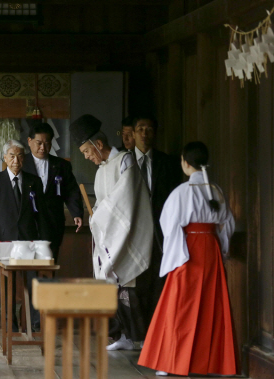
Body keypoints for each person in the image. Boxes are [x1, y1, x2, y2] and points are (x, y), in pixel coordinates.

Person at [138, 141, 236, 377]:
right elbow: (228, 223)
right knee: (211, 304)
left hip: (189, 250)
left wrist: (175, 254)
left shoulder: (183, 192)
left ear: (185, 162)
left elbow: (169, 225)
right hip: (210, 249)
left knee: (180, 305)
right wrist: (221, 247)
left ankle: (171, 362)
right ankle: (215, 364)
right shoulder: (216, 190)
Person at [69, 114, 154, 346]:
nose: (86, 157)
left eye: (87, 151)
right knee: (113, 288)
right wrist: (96, 213)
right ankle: (123, 335)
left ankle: (138, 337)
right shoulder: (101, 171)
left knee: (129, 286)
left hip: (127, 234)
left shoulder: (125, 161)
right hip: (110, 236)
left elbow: (124, 199)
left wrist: (101, 214)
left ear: (98, 145)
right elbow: (101, 203)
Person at [108, 115, 181, 351]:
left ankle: (156, 333)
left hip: (160, 232)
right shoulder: (123, 161)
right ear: (133, 133)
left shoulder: (167, 162)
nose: (145, 133)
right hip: (131, 233)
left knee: (157, 282)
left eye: (149, 129)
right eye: (140, 129)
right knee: (132, 284)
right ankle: (130, 334)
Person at [0, 139, 50, 332]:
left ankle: (34, 322)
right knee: (7, 285)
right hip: (4, 242)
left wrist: (43, 242)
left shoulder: (33, 182)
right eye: (12, 155)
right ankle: (9, 323)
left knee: (33, 282)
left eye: (20, 156)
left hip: (30, 242)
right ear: (4, 158)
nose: (16, 160)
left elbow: (41, 215)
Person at [22, 121, 84, 262]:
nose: (43, 147)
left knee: (50, 261)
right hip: (27, 222)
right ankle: (32, 285)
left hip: (53, 222)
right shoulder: (20, 163)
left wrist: (76, 213)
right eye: (39, 143)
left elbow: (71, 190)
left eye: (47, 143)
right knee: (28, 263)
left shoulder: (62, 165)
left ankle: (46, 285)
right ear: (29, 141)